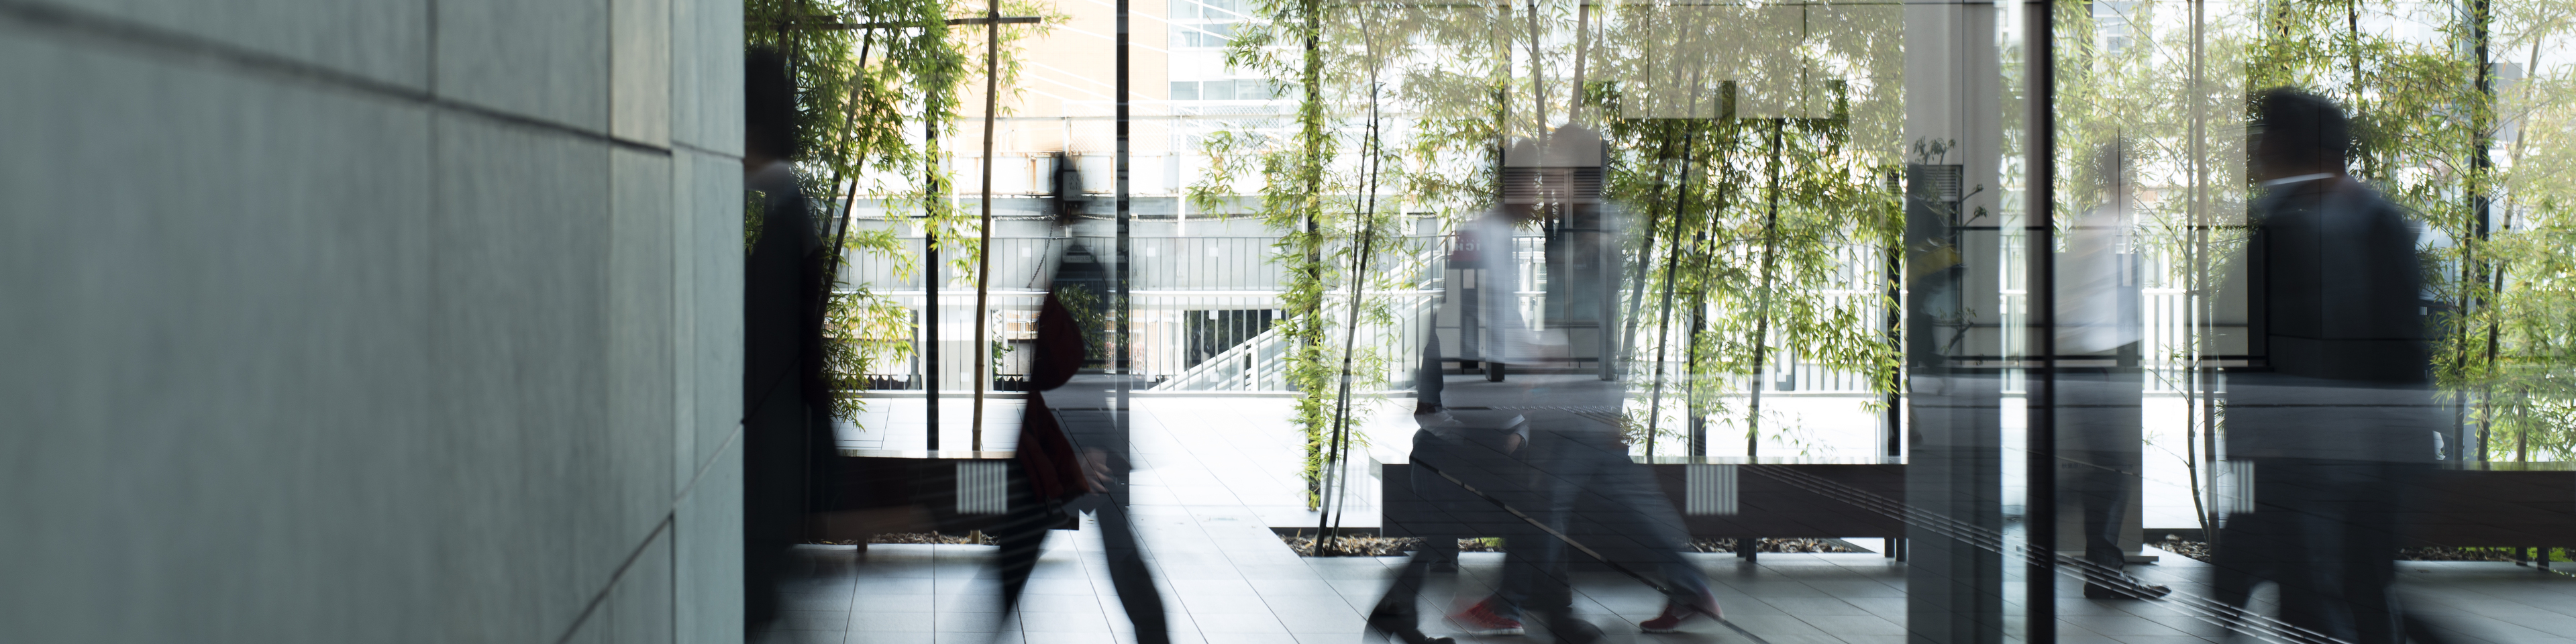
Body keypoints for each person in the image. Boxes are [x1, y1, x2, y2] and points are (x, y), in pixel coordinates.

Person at [2212, 87, 2441, 644]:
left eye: (2264, 136)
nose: (2255, 148)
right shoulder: (2370, 220)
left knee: (2327, 594)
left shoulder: (2310, 224)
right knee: (2344, 591)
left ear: (2289, 145)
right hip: (2330, 451)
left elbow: (2250, 333)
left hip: (2311, 453)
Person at [980, 220, 1171, 644]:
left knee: (1029, 556)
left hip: (1066, 438)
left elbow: (1074, 362)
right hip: (1065, 435)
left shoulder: (1076, 266)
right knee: (1116, 558)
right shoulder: (1079, 261)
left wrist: (1085, 447)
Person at [740, 46, 840, 640]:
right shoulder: (785, 207)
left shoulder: (778, 214)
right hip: (776, 444)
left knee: (758, 605)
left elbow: (772, 347)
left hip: (768, 445)